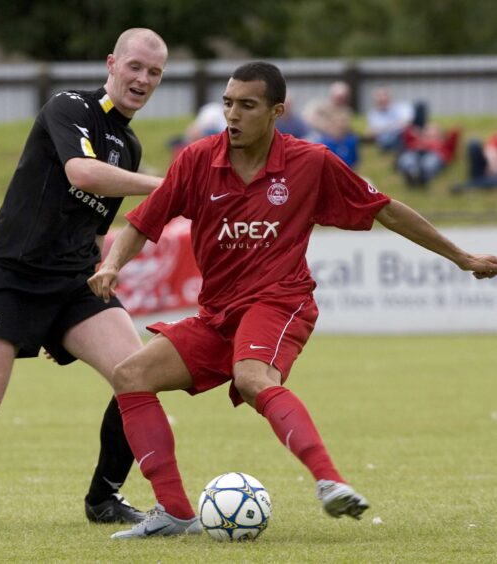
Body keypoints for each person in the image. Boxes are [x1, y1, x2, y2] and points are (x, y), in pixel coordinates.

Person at [89, 61, 497, 539]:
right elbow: (142, 222)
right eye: (227, 103)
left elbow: (387, 210)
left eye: (247, 105)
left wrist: (461, 256)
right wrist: (114, 265)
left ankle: (329, 481)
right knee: (130, 376)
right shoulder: (198, 160)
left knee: (252, 377)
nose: (232, 115)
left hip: (280, 302)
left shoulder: (312, 163)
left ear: (277, 111)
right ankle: (176, 513)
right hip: (217, 314)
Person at [0, 28, 168, 528]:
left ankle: (104, 498)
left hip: (74, 284)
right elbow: (82, 173)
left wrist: (100, 275)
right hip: (13, 274)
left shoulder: (127, 145)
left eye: (154, 73)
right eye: (134, 67)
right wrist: (168, 184)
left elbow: (94, 225)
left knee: (139, 376)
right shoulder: (69, 106)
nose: (142, 79)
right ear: (112, 64)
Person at [396, 123, 460, 187]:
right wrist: (410, 128)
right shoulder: (416, 140)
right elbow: (407, 134)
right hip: (415, 152)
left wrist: (454, 131)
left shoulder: (442, 143)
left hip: (434, 153)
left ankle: (423, 176)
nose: (430, 133)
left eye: (434, 132)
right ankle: (411, 173)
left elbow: (452, 140)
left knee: (430, 162)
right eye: (427, 131)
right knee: (408, 158)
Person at [365, 86, 417, 152]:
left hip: (400, 136)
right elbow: (371, 132)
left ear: (389, 97)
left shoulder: (400, 107)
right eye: (378, 96)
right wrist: (395, 125)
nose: (381, 98)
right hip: (386, 142)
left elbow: (407, 122)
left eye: (383, 95)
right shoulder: (373, 114)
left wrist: (383, 129)